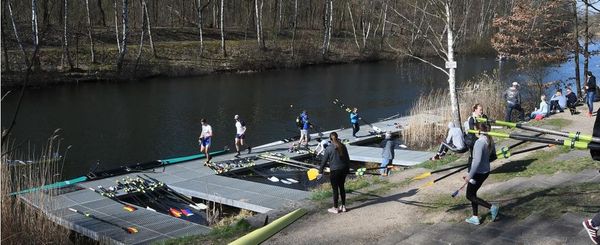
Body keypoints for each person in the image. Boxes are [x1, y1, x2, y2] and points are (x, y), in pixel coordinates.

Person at [464, 122, 498, 225]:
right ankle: (475, 217)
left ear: (478, 130)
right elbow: (493, 156)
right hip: (485, 171)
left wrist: (469, 175)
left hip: (479, 172)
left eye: (475, 129)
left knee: (469, 195)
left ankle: (492, 207)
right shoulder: (489, 139)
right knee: (473, 193)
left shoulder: (480, 142)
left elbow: (477, 161)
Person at [319, 132, 350, 214]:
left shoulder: (329, 148)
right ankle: (343, 206)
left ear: (330, 139)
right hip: (343, 170)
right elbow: (347, 159)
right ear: (337, 137)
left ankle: (335, 208)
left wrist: (320, 171)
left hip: (335, 171)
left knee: (335, 189)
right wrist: (348, 170)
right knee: (342, 187)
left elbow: (324, 161)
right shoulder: (343, 146)